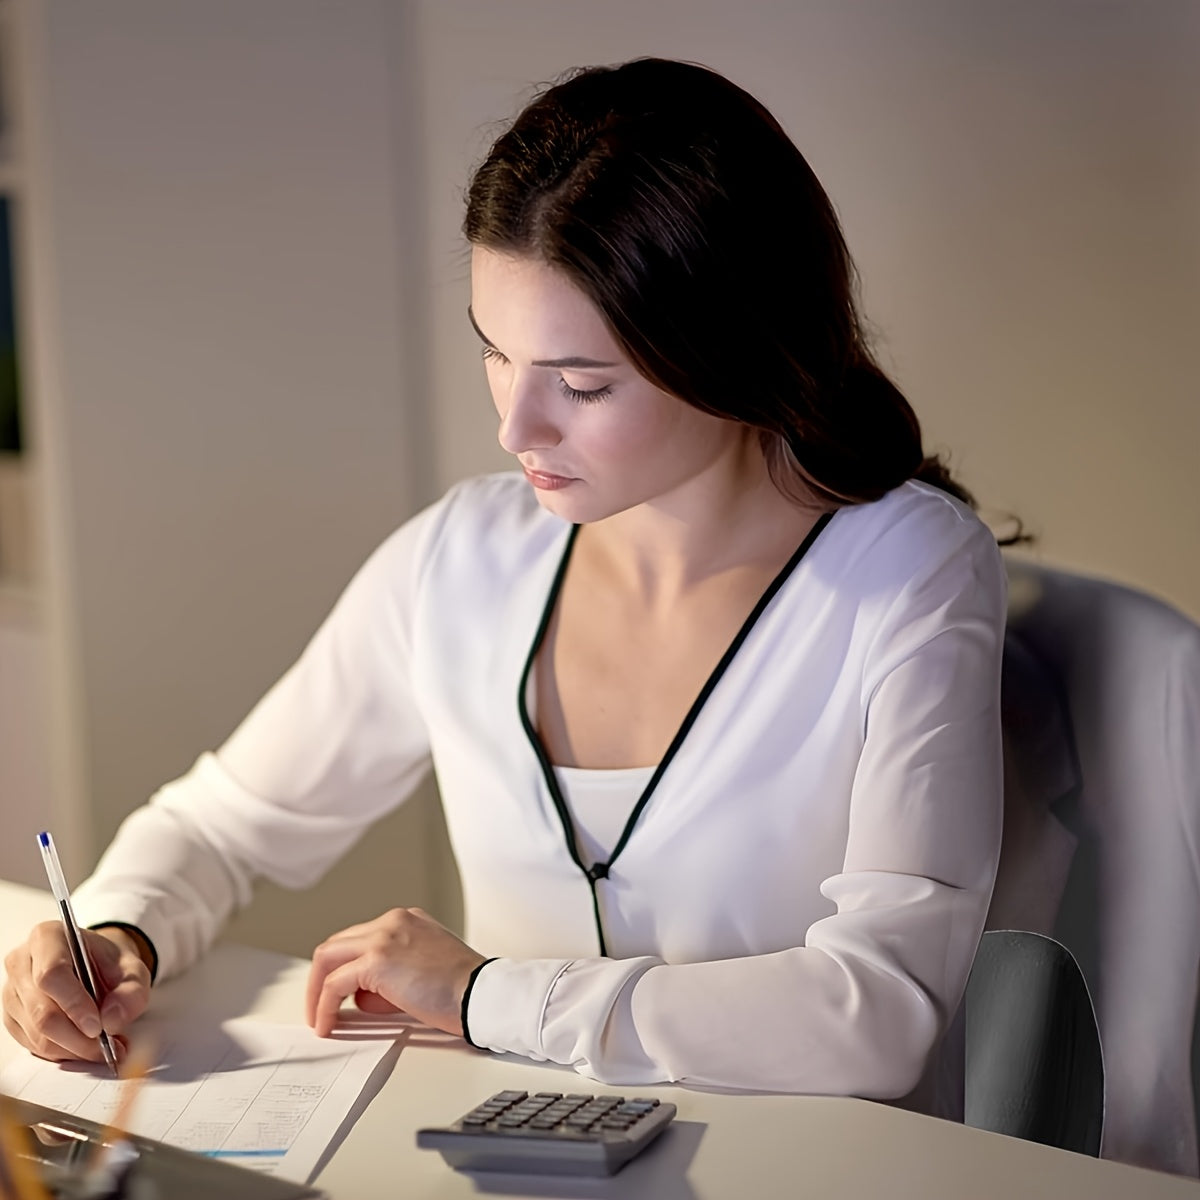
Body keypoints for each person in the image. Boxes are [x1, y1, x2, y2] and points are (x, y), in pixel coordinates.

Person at [2, 57, 1006, 1119]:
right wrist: (114, 932)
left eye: (581, 384)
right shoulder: (463, 560)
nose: (515, 430)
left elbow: (879, 1011)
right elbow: (219, 828)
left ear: (730, 353)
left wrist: (487, 998)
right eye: (496, 355)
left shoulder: (910, 572)